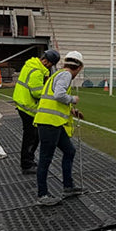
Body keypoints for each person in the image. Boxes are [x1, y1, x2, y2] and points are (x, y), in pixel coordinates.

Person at [33, 51, 85, 206]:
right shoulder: (66, 75)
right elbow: (59, 95)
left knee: (70, 151)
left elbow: (54, 99)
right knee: (45, 159)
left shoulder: (58, 74)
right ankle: (42, 195)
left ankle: (68, 187)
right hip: (50, 123)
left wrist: (72, 111)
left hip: (53, 122)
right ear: (80, 67)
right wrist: (73, 99)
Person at [13, 49, 59, 175]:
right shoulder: (37, 71)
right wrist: (51, 93)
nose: (50, 67)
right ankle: (27, 164)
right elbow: (37, 92)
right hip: (28, 107)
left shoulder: (31, 65)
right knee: (31, 137)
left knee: (32, 136)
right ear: (46, 61)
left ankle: (29, 161)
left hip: (23, 103)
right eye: (51, 64)